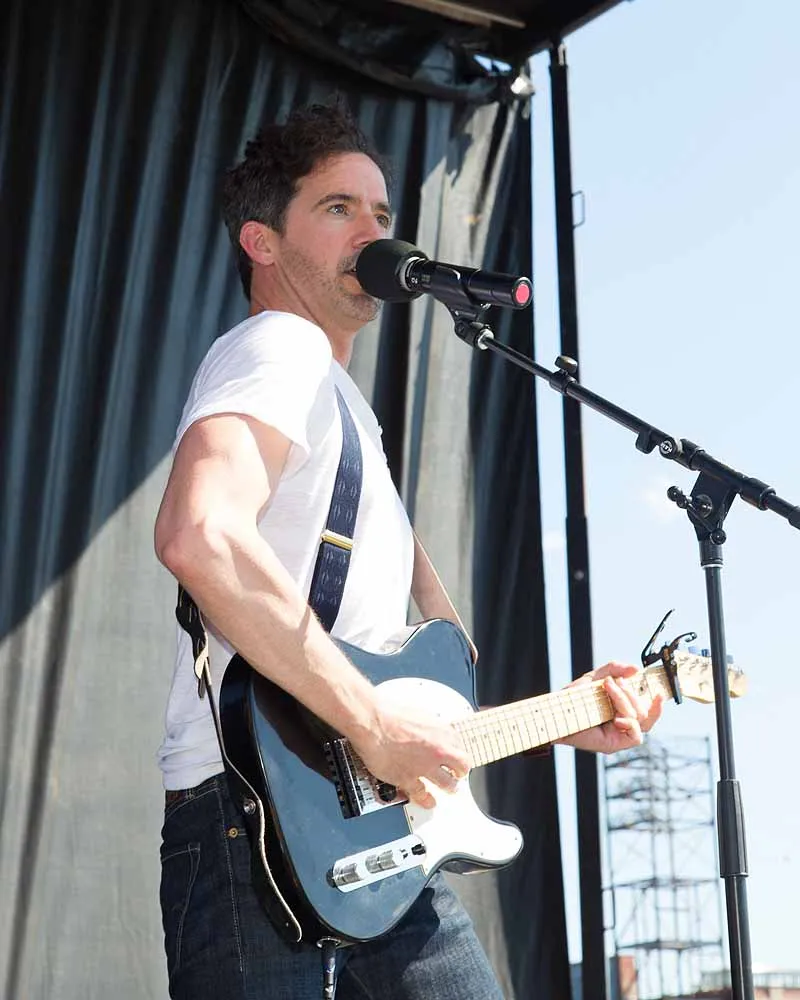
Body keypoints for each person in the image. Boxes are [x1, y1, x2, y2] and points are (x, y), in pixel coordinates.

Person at [154, 102, 663, 1000]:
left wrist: (557, 720)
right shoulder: (280, 348)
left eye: (382, 213)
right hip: (254, 829)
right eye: (338, 208)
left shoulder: (348, 412)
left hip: (375, 844)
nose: (374, 231)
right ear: (262, 242)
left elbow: (392, 685)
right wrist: (378, 728)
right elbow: (203, 534)